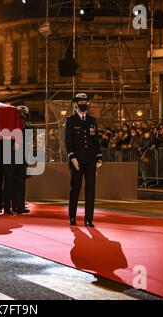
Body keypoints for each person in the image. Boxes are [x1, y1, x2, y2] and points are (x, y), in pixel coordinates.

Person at [64, 93, 103, 227]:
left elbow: (95, 140)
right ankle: (72, 216)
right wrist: (71, 156)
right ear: (76, 105)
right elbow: (68, 140)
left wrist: (99, 156)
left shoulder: (92, 120)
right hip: (77, 160)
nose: (83, 104)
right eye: (81, 102)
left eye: (85, 101)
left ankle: (88, 219)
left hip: (90, 160)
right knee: (75, 188)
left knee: (90, 189)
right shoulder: (71, 120)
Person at [13, 105, 31, 214]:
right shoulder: (15, 126)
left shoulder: (27, 127)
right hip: (14, 158)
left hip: (21, 158)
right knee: (17, 183)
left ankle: (19, 206)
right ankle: (16, 206)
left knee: (20, 183)